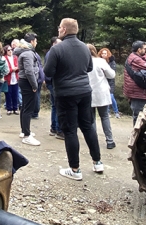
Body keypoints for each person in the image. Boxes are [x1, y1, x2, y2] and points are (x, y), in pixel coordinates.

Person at [43, 18, 104, 181]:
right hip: (85, 91)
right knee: (88, 126)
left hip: (65, 93)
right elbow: (89, 68)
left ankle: (75, 169)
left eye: (59, 28)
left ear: (63, 30)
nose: (58, 30)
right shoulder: (85, 48)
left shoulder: (57, 49)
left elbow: (48, 72)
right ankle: (97, 162)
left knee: (70, 131)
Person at [15, 33, 42, 146]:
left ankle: (24, 131)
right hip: (28, 82)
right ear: (31, 42)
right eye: (35, 41)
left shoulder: (25, 52)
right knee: (28, 109)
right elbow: (29, 71)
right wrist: (34, 85)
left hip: (25, 82)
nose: (36, 43)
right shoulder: (28, 54)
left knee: (25, 107)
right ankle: (27, 136)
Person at [88, 44, 117, 149]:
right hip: (101, 92)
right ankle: (110, 141)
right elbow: (111, 75)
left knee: (91, 119)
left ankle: (93, 141)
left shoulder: (83, 62)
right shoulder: (100, 61)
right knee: (104, 116)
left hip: (88, 93)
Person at [123, 41, 146, 125]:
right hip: (138, 93)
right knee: (139, 116)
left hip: (137, 93)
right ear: (139, 49)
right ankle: (137, 136)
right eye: (145, 49)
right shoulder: (135, 59)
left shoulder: (135, 57)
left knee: (139, 116)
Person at [45, 37, 63, 136]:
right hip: (53, 83)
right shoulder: (52, 53)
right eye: (60, 44)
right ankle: (59, 130)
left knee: (54, 106)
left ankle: (54, 128)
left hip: (50, 82)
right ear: (54, 44)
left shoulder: (50, 53)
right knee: (58, 106)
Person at [98, 47, 121, 119]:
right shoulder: (99, 61)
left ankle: (116, 112)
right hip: (102, 81)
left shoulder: (112, 62)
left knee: (111, 96)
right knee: (105, 96)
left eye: (105, 53)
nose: (104, 55)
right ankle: (107, 112)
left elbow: (112, 72)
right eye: (102, 53)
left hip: (110, 81)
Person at [3, 45, 20, 115]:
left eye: (11, 50)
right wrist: (11, 70)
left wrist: (16, 69)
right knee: (8, 94)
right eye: (8, 50)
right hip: (8, 79)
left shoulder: (15, 57)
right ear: (6, 51)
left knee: (15, 94)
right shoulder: (4, 58)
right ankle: (9, 109)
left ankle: (15, 108)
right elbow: (4, 69)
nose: (10, 51)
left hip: (15, 78)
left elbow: (18, 66)